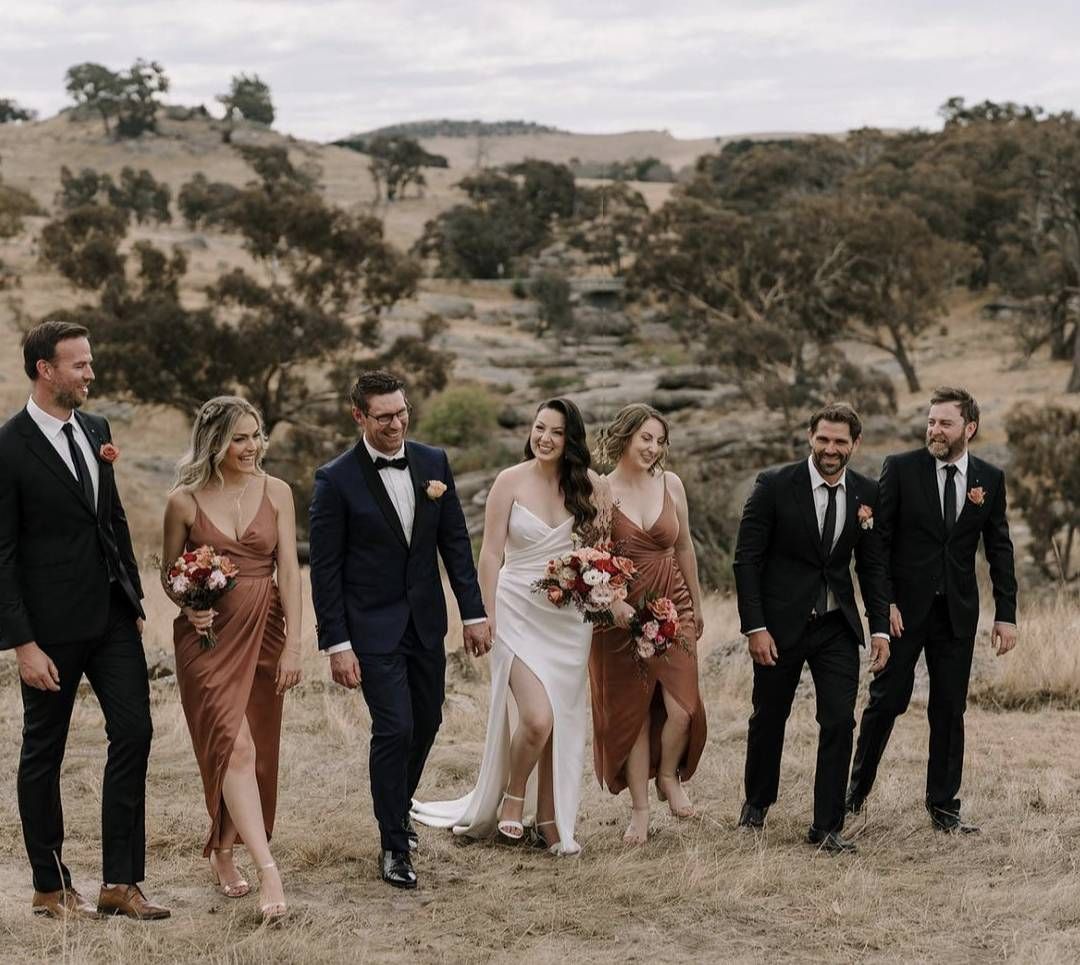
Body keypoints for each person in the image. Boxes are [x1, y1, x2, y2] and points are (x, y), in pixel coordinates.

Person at [0, 321, 169, 920]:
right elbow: (3, 555)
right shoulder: (9, 445)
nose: (90, 374)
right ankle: (51, 886)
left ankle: (120, 883)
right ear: (45, 370)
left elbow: (111, 518)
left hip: (112, 618)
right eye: (79, 365)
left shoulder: (96, 430)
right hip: (47, 633)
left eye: (89, 363)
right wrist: (22, 642)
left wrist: (135, 594)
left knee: (135, 733)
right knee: (43, 753)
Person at [309, 371, 491, 890]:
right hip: (370, 629)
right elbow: (325, 570)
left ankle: (396, 805)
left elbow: (455, 543)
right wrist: (337, 644)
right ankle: (393, 843)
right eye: (384, 416)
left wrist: (472, 612)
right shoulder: (334, 479)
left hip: (425, 623)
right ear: (359, 416)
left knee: (428, 720)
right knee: (395, 728)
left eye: (402, 412)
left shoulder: (433, 463)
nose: (396, 423)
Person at [412, 398, 602, 855]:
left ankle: (553, 821)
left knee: (562, 719)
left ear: (570, 438)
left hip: (568, 620)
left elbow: (601, 554)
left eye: (556, 432)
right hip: (516, 610)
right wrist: (485, 613)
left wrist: (600, 588)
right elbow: (491, 554)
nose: (545, 438)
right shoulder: (509, 481)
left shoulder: (591, 486)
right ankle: (513, 798)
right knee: (537, 718)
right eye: (540, 428)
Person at [847, 387, 1018, 833]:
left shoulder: (989, 479)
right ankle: (854, 794)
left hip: (957, 614)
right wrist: (885, 606)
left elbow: (999, 548)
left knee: (949, 709)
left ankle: (944, 807)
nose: (934, 430)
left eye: (945, 423)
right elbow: (877, 544)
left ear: (970, 428)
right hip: (905, 612)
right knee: (885, 703)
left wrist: (1006, 613)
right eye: (930, 422)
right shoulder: (901, 469)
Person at [162, 396, 302, 922]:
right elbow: (170, 573)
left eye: (256, 435)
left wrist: (294, 643)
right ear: (216, 441)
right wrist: (190, 605)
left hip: (266, 632)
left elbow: (289, 570)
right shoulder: (183, 501)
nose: (251, 447)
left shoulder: (279, 492)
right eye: (239, 437)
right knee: (233, 747)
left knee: (256, 749)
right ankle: (268, 868)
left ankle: (223, 849)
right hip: (209, 642)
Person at [733, 402, 889, 854]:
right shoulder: (774, 485)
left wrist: (879, 628)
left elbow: (873, 567)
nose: (831, 449)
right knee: (769, 716)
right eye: (823, 439)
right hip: (779, 626)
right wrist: (755, 627)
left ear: (855, 445)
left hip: (837, 625)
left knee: (840, 720)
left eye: (841, 441)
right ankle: (757, 804)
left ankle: (826, 827)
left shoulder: (867, 494)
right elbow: (747, 560)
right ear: (810, 438)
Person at [589, 404, 707, 845]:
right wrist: (616, 604)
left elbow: (686, 548)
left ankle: (668, 777)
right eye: (646, 439)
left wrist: (696, 603)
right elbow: (596, 559)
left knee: (683, 708)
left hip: (674, 605)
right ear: (625, 437)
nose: (653, 448)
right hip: (621, 614)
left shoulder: (670, 483)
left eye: (659, 440)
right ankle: (640, 811)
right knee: (634, 713)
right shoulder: (601, 490)